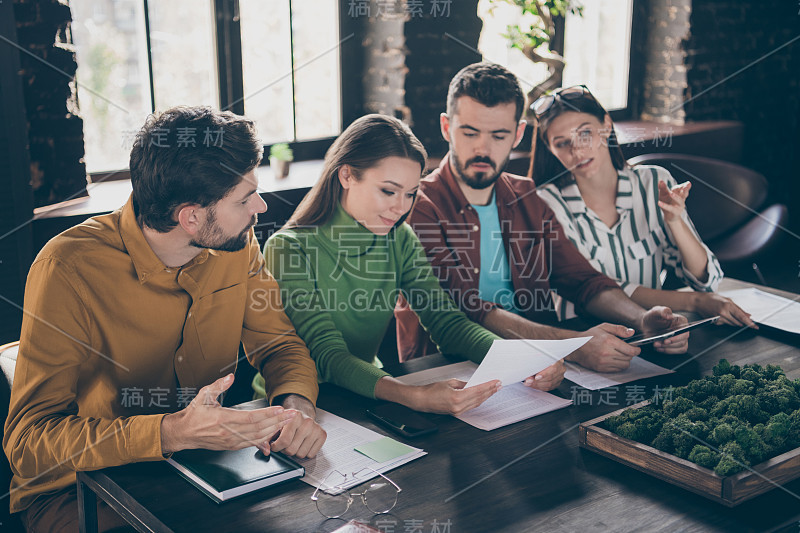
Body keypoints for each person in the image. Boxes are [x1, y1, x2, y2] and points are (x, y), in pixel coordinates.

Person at [3, 106, 326, 532]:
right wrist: (171, 433)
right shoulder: (68, 267)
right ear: (191, 217)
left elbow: (279, 345)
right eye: (245, 198)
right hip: (82, 489)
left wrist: (296, 407)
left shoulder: (236, 243)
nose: (260, 207)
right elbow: (29, 443)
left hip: (208, 468)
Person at [253, 114, 565, 415]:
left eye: (410, 194)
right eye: (388, 191)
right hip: (297, 403)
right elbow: (328, 355)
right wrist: (414, 397)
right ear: (346, 175)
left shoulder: (399, 237)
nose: (400, 207)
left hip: (369, 391)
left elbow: (446, 322)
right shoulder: (288, 248)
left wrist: (524, 359)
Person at [397, 62, 692, 373]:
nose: (482, 149)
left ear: (518, 134)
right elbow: (467, 311)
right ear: (446, 128)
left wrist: (641, 319)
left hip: (544, 371)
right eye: (469, 133)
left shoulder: (526, 196)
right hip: (448, 371)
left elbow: (582, 281)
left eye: (499, 135)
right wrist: (574, 345)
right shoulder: (417, 206)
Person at [532, 85, 755, 328]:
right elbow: (594, 290)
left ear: (606, 125)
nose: (577, 151)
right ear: (550, 148)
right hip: (586, 336)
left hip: (658, 328)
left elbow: (706, 281)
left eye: (584, 134)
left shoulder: (653, 182)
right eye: (562, 143)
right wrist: (695, 302)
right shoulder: (546, 203)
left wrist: (675, 222)